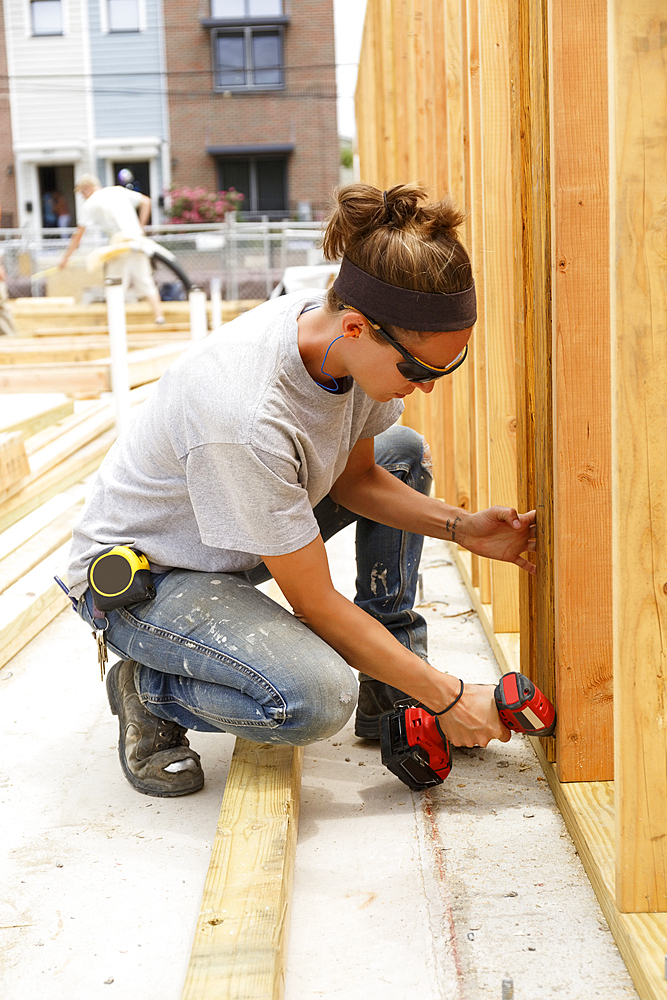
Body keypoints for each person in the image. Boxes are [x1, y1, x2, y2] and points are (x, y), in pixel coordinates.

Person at [63, 183, 536, 798]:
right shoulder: (247, 416)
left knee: (401, 454)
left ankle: (392, 676)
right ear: (359, 327)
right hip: (153, 577)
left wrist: (461, 527)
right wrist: (447, 696)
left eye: (447, 368)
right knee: (313, 698)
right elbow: (314, 602)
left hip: (233, 531)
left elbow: (359, 476)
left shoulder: (341, 345)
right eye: (418, 369)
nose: (427, 387)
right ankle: (147, 690)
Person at [59, 174, 165, 325]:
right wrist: (141, 228)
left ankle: (115, 324)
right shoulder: (118, 191)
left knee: (115, 283)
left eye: (82, 193)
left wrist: (65, 258)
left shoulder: (91, 202)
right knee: (145, 281)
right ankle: (159, 317)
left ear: (87, 189)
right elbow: (147, 202)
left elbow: (78, 235)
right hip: (137, 240)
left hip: (120, 243)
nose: (82, 196)